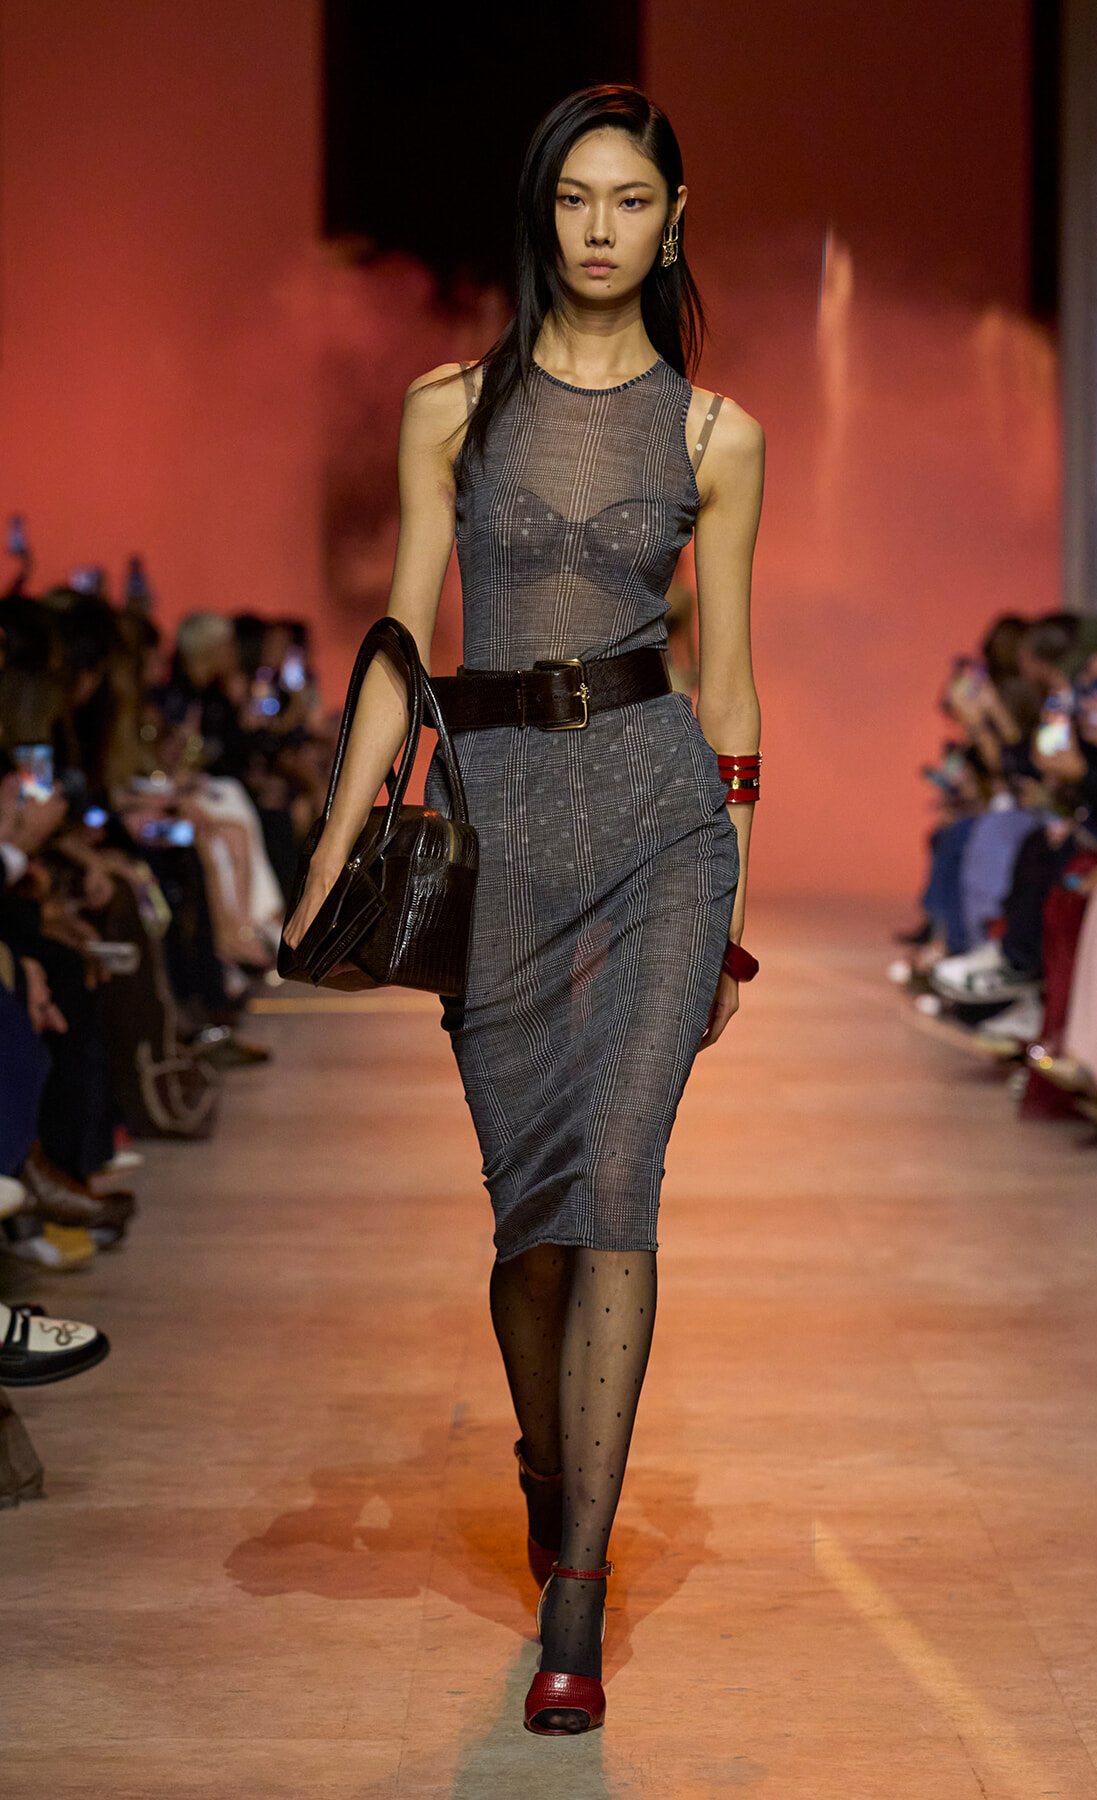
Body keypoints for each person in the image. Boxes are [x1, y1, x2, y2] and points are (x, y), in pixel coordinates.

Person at [283, 85, 763, 1736]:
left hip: (657, 823)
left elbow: (738, 676)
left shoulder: (718, 437)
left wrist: (734, 908)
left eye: (632, 201)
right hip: (500, 832)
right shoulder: (449, 412)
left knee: (616, 1187)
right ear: (542, 214)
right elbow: (401, 649)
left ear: (674, 221)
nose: (603, 228)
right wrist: (334, 854)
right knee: (529, 1228)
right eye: (577, 199)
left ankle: (578, 1588)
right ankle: (553, 1458)